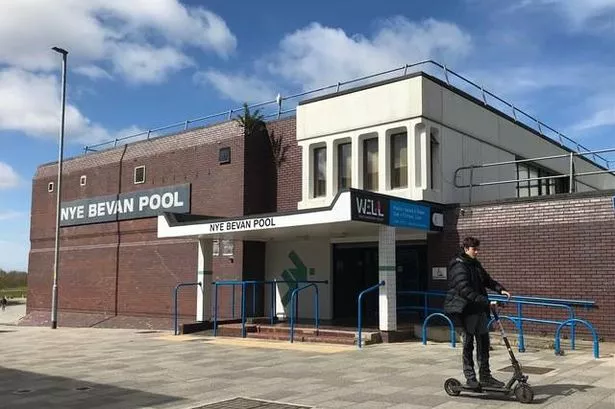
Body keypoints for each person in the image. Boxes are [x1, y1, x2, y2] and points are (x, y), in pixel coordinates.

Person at [443, 236, 511, 389]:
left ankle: (485, 376)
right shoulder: (459, 266)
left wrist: (501, 289)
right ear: (466, 249)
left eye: (478, 249)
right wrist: (488, 302)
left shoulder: (475, 264)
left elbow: (487, 280)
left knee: (484, 342)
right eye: (475, 249)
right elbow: (465, 290)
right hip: (465, 310)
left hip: (478, 309)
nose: (477, 252)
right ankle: (470, 377)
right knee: (468, 344)